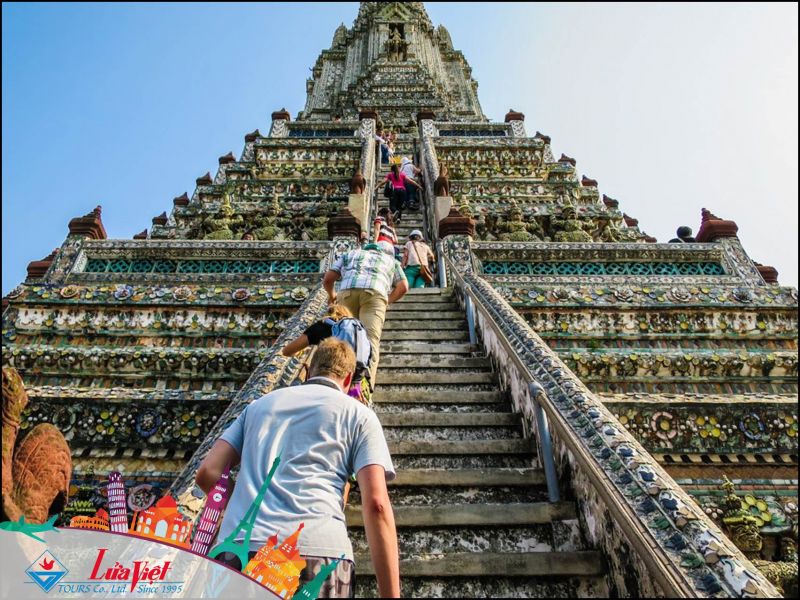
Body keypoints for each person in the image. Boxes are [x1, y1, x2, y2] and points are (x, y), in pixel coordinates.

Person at [197, 339, 400, 598]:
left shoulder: (258, 406)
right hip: (317, 552)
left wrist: (243, 505)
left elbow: (208, 472)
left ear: (306, 371)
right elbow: (377, 505)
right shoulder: (359, 415)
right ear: (348, 380)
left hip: (239, 549)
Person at [323, 243, 409, 385]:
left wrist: (332, 296)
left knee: (342, 337)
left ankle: (338, 381)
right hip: (375, 295)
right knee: (371, 341)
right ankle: (365, 386)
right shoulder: (391, 260)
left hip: (347, 292)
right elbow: (403, 286)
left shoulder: (350, 254)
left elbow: (328, 279)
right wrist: (387, 302)